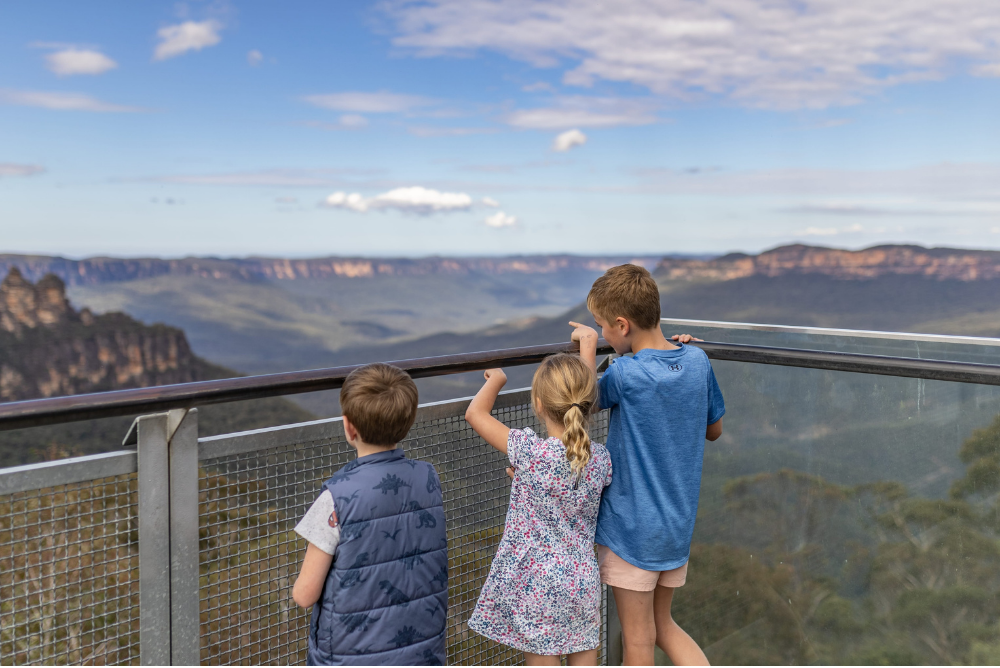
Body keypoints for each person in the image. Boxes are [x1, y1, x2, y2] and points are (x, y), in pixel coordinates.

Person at [573, 263, 725, 667]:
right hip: (675, 527)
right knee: (664, 626)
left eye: (602, 326)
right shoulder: (697, 360)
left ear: (622, 325)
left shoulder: (625, 372)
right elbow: (714, 429)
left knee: (638, 643)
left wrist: (588, 352)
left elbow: (582, 407)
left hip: (633, 531)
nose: (603, 333)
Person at [291, 363, 448, 666]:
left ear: (349, 427)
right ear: (408, 420)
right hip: (422, 652)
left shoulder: (334, 498)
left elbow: (305, 594)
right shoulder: (429, 478)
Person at [464, 354, 613, 667]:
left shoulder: (531, 453)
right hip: (582, 582)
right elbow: (570, 489)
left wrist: (497, 381)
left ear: (539, 403)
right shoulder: (601, 459)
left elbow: (475, 414)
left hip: (538, 586)